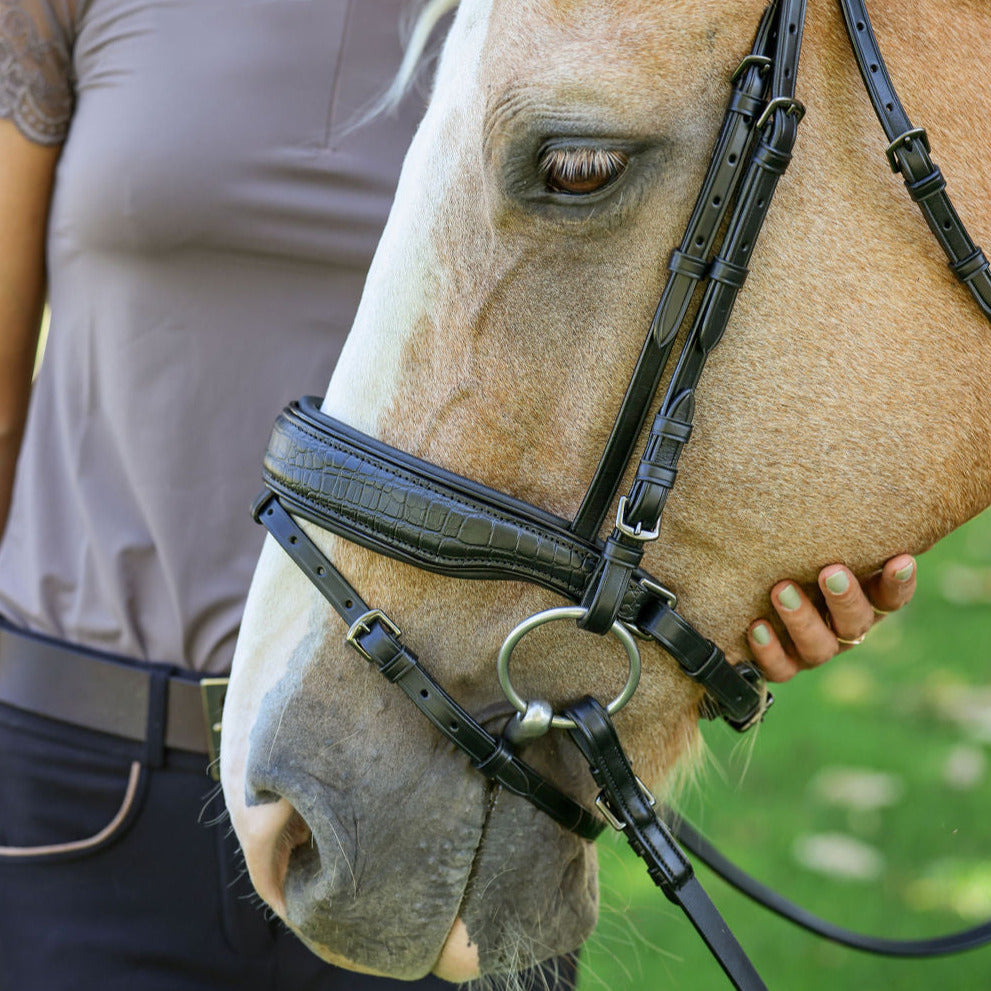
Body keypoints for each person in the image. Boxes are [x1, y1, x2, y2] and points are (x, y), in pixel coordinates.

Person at [0, 0, 917, 988]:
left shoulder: (587, 22)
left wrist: (761, 570)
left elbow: (689, 340)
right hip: (83, 779)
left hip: (461, 768)